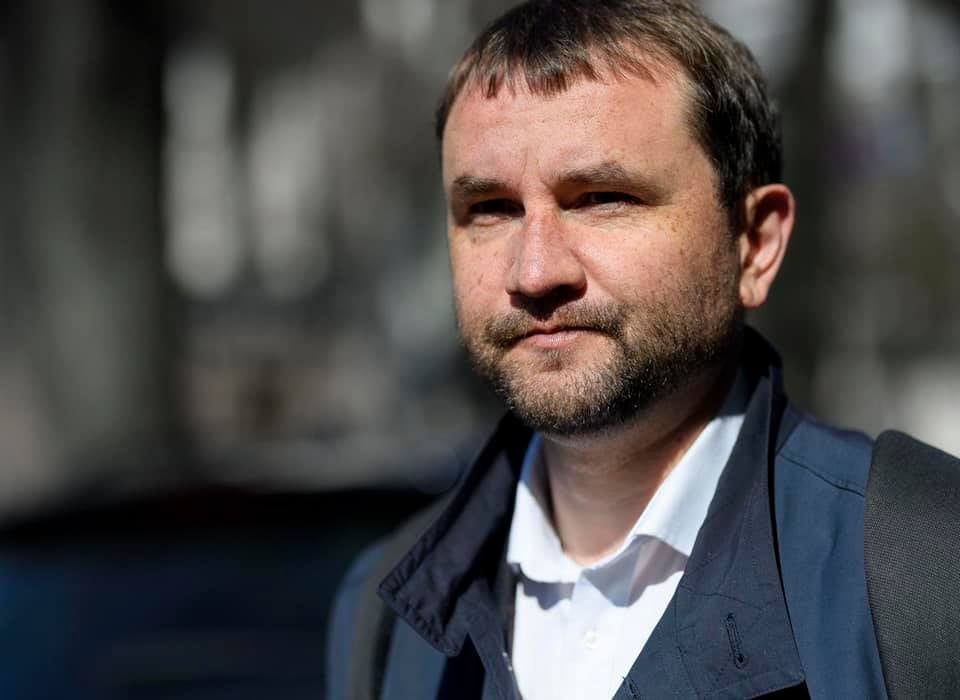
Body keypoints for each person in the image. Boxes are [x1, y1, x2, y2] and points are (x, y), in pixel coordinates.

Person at [327, 1, 960, 698]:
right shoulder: (389, 620)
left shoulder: (925, 566)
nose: (534, 272)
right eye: (491, 210)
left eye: (602, 198)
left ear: (755, 244)